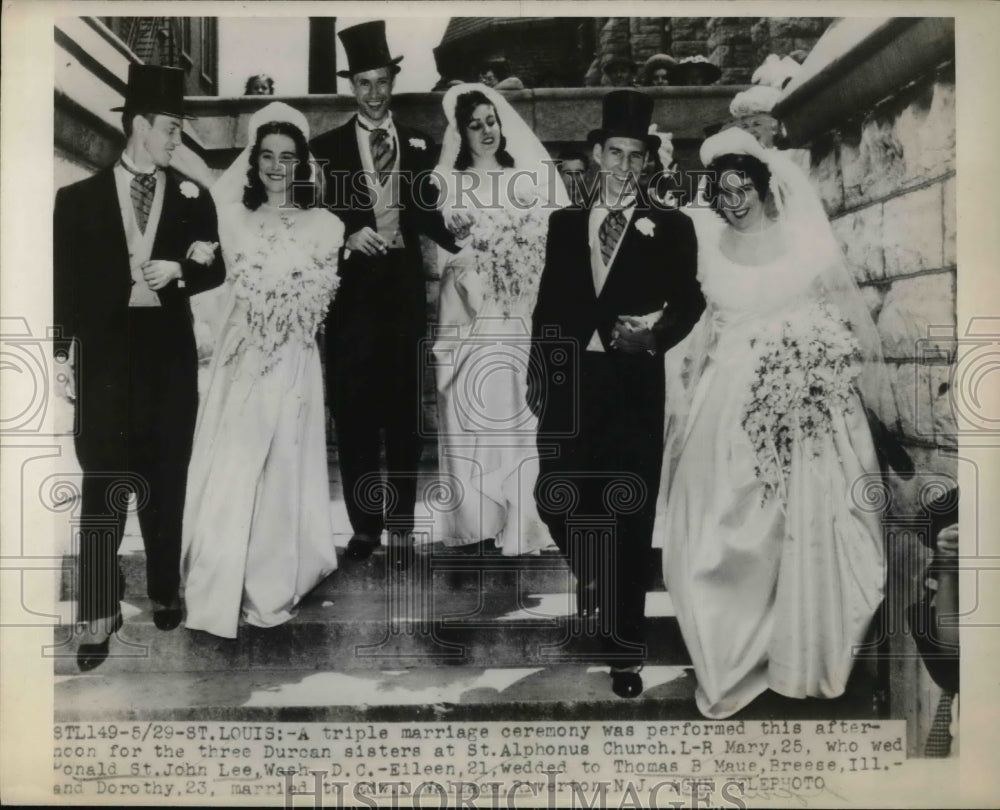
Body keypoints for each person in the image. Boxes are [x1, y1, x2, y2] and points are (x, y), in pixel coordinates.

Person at [656, 127, 890, 718]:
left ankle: (791, 651)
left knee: (792, 527)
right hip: (723, 399)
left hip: (797, 400)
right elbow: (694, 319)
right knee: (705, 530)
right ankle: (725, 657)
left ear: (764, 187)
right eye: (723, 190)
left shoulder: (802, 242)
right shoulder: (706, 243)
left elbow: (833, 317)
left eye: (742, 188)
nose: (733, 200)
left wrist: (811, 363)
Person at [529, 90, 705, 698]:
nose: (625, 166)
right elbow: (548, 302)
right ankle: (598, 577)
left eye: (636, 156)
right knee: (555, 495)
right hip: (570, 381)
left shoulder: (672, 225)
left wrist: (654, 337)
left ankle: (625, 652)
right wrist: (538, 371)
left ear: (647, 161)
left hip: (633, 385)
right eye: (616, 153)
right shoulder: (564, 223)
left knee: (628, 515)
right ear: (598, 155)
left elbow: (690, 301)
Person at [53, 64, 225, 671]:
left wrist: (181, 268)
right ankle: (99, 612)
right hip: (105, 360)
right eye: (171, 128)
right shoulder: (76, 200)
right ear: (140, 125)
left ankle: (164, 587)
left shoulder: (193, 196)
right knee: (103, 482)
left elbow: (216, 266)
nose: (178, 140)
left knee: (165, 474)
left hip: (168, 359)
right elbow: (63, 286)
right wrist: (61, 356)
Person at [180, 103, 343, 639]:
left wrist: (292, 308)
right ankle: (220, 579)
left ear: (302, 163)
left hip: (293, 357)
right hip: (244, 360)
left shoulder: (326, 225)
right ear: (253, 162)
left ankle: (271, 580)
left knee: (284, 464)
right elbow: (216, 287)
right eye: (267, 156)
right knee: (237, 462)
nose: (276, 166)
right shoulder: (230, 218)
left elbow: (321, 296)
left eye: (287, 157)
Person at [310, 21, 457, 570]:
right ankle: (364, 526)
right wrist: (347, 233)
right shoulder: (324, 150)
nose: (373, 93)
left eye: (381, 81)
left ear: (393, 81)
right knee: (354, 413)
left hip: (401, 291)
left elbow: (434, 217)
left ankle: (400, 523)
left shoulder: (420, 145)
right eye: (363, 83)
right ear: (352, 87)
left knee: (403, 413)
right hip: (351, 295)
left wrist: (465, 235)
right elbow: (308, 215)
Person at [431, 84, 569, 555]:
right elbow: (448, 252)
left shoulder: (526, 178)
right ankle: (477, 518)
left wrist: (520, 264)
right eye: (475, 125)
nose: (486, 131)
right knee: (474, 408)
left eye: (491, 121)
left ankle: (523, 518)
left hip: (518, 308)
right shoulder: (450, 183)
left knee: (519, 408)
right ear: (461, 133)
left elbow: (549, 239)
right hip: (472, 309)